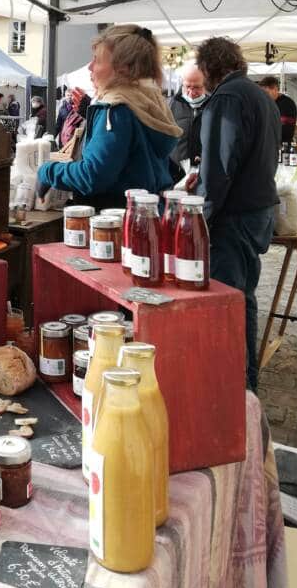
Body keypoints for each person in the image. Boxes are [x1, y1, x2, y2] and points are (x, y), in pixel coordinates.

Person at [194, 37, 280, 392]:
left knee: (227, 302)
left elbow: (220, 168)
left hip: (235, 217)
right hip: (257, 211)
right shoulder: (261, 97)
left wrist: (202, 217)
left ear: (211, 67)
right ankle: (245, 385)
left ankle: (231, 388)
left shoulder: (228, 98)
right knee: (242, 299)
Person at [37, 25, 181, 209]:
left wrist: (47, 171)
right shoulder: (150, 101)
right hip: (145, 216)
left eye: (96, 60)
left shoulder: (116, 109)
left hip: (116, 223)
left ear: (122, 68)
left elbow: (93, 176)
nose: (90, 66)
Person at [169, 61, 208, 168]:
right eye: (188, 86)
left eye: (196, 87)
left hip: (204, 170)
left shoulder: (214, 105)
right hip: (176, 173)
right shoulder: (171, 105)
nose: (191, 92)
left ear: (206, 84)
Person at [259, 76, 297, 145]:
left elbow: (285, 130)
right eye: (262, 93)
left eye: (267, 92)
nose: (264, 95)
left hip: (283, 146)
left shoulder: (287, 104)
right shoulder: (267, 103)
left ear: (275, 89)